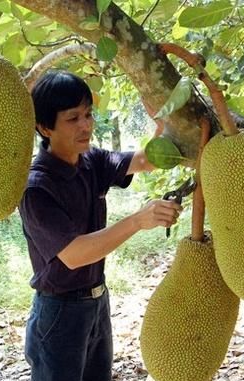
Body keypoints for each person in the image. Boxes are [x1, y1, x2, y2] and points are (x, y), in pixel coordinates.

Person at [19, 71, 183, 381]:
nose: (85, 125)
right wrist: (137, 220)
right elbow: (75, 254)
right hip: (59, 313)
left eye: (88, 114)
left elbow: (146, 160)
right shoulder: (37, 187)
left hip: (96, 303)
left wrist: (165, 120)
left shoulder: (90, 160)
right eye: (72, 119)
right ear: (45, 127)